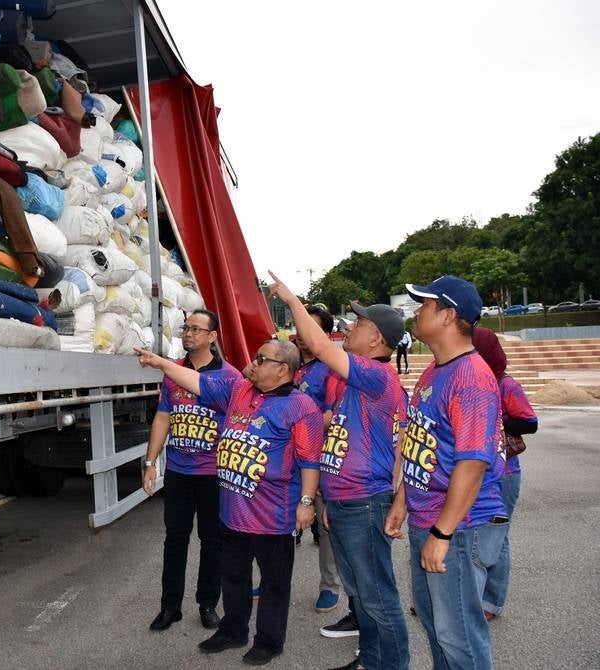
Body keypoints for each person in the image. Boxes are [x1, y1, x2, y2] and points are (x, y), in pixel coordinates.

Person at [136, 339, 323, 666]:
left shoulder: (301, 406)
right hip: (233, 511)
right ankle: (232, 631)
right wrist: (163, 364)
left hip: (273, 515)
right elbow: (195, 381)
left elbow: (309, 460)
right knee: (233, 577)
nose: (253, 362)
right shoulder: (239, 391)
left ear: (282, 370)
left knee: (274, 583)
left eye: (261, 358)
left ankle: (269, 641)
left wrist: (306, 502)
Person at [268, 273, 410, 670]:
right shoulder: (357, 380)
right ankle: (370, 658)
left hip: (365, 502)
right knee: (363, 594)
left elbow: (314, 343)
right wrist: (330, 496)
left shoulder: (377, 374)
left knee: (378, 595)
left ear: (377, 340)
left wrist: (291, 299)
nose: (351, 327)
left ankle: (393, 665)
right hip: (349, 501)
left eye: (360, 324)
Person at [385, 275, 509, 670]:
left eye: (423, 305)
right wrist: (403, 499)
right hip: (430, 518)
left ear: (449, 315)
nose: (415, 312)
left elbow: (472, 464)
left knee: (459, 636)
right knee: (437, 625)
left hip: (458, 525)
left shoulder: (471, 378)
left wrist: (442, 533)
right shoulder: (435, 370)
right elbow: (422, 443)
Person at [143, 309, 242, 632]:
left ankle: (208, 603)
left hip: (213, 473)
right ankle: (170, 606)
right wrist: (150, 462)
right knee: (175, 539)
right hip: (179, 471)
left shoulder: (230, 377)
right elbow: (163, 417)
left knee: (212, 540)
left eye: (197, 329)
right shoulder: (173, 372)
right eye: (186, 328)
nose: (188, 334)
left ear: (213, 337)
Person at [470, 327, 537, 621]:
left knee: (497, 536)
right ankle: (465, 599)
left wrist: (494, 419)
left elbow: (529, 422)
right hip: (473, 470)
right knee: (470, 535)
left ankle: (491, 603)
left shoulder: (505, 385)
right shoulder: (467, 380)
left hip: (503, 473)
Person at [292, 306, 343, 614]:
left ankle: (329, 585)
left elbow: (332, 416)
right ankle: (273, 580)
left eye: (311, 327)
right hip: (284, 459)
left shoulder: (331, 370)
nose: (302, 333)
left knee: (325, 525)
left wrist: (292, 422)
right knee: (279, 520)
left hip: (318, 458)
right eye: (300, 325)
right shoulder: (287, 364)